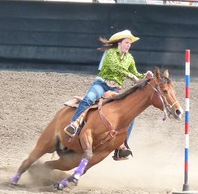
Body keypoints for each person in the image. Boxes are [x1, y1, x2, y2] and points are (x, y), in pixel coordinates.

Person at [64, 29, 153, 160]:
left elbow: (136, 73)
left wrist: (145, 76)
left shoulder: (129, 58)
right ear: (119, 43)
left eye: (130, 43)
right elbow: (115, 67)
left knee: (130, 117)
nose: (129, 45)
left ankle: (121, 146)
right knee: (89, 99)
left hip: (116, 90)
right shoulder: (111, 53)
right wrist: (132, 76)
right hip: (101, 85)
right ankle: (73, 125)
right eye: (127, 42)